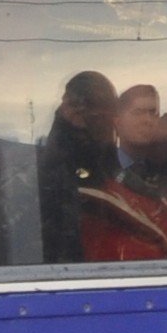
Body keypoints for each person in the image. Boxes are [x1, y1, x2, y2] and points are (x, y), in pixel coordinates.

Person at [79, 84, 167, 260]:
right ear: (117, 121)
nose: (148, 120)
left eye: (153, 113)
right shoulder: (99, 175)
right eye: (138, 112)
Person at [35, 70, 120, 260]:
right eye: (74, 105)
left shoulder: (123, 175)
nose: (82, 116)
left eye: (95, 108)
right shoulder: (39, 176)